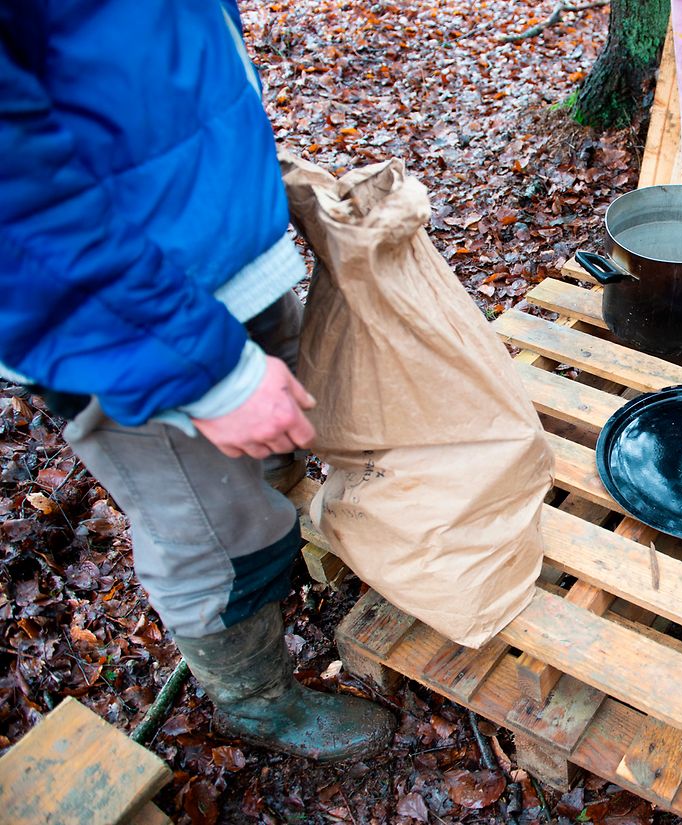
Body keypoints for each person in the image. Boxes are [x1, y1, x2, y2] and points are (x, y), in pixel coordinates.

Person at [0, 2, 393, 761]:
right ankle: (257, 702)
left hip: (218, 262)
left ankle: (281, 574)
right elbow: (19, 200)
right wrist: (208, 373)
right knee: (215, 535)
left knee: (276, 459)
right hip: (118, 322)